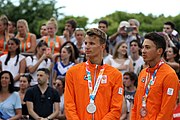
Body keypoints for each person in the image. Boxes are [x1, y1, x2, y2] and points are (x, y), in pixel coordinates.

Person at [64, 28, 124, 119]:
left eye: (91, 43)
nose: (87, 47)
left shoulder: (115, 75)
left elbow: (116, 109)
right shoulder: (72, 72)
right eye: (86, 43)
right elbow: (69, 106)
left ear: (102, 47)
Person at [131, 32, 179, 120]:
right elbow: (136, 105)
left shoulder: (169, 75)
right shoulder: (143, 73)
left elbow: (166, 113)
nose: (143, 51)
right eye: (143, 47)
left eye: (147, 47)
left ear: (159, 51)